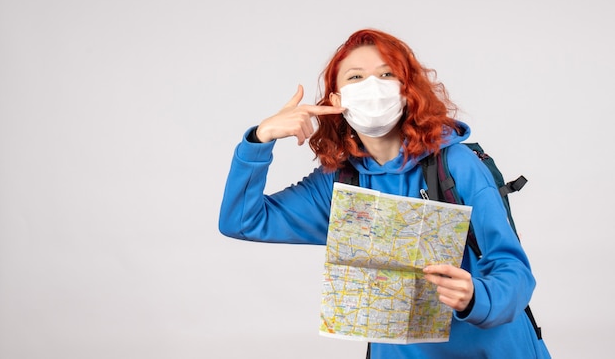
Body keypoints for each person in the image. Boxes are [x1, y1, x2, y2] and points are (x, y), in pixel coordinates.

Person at [218, 29, 550, 358]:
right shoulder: (340, 184)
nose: (372, 87)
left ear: (407, 90)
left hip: (494, 349)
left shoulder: (457, 165)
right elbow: (242, 220)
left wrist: (477, 297)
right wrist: (260, 140)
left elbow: (515, 271)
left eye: (386, 74)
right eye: (356, 77)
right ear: (335, 100)